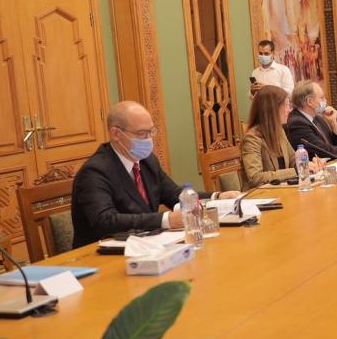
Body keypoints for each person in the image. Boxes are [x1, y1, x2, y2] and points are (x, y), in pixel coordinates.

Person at [71, 101, 239, 248]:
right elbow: (106, 221)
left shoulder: (146, 161)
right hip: (103, 258)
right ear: (116, 134)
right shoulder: (95, 171)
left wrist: (217, 197)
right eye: (141, 134)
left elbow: (175, 195)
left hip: (146, 247)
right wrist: (166, 220)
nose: (149, 139)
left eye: (151, 132)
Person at [242, 86, 323, 190]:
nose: (289, 110)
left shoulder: (279, 132)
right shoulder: (252, 138)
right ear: (272, 109)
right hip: (260, 198)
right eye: (286, 105)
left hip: (282, 191)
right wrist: (296, 170)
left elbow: (295, 161)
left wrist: (309, 164)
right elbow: (255, 178)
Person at [286, 80, 337, 160]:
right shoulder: (297, 123)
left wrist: (333, 123)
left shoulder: (318, 118)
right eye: (321, 98)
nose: (325, 100)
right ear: (310, 101)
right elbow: (322, 150)